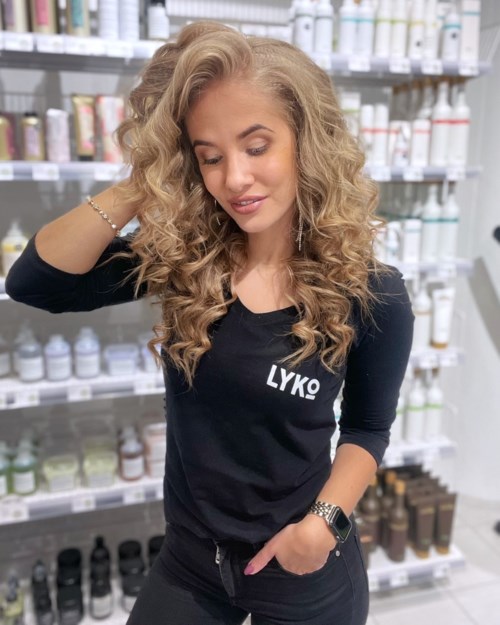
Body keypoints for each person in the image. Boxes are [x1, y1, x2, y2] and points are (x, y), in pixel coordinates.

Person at [6, 21, 414, 625]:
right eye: (210, 157)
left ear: (307, 141)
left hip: (301, 565)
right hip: (191, 561)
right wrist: (144, 179)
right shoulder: (186, 261)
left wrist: (321, 527)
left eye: (257, 146)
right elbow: (35, 283)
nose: (235, 179)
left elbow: (367, 429)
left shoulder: (371, 292)